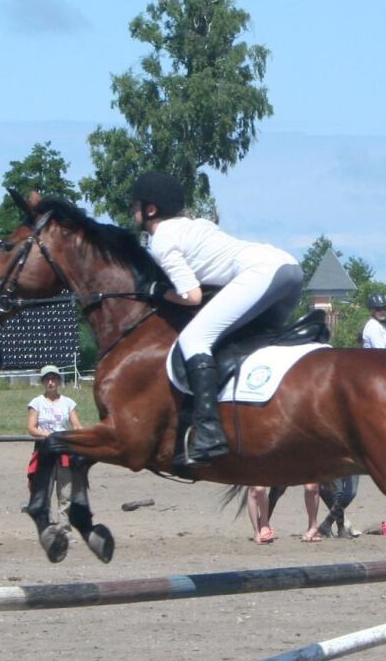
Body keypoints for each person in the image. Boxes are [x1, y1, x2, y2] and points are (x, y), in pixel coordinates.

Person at [130, 171, 304, 465]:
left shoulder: (161, 241)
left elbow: (192, 296)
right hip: (289, 268)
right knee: (251, 341)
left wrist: (158, 291)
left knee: (194, 339)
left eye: (135, 205)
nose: (132, 210)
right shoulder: (195, 225)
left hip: (262, 272)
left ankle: (209, 432)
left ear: (151, 209)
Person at [24, 365, 83, 515]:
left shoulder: (68, 402)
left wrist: (79, 435)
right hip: (45, 450)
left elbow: (76, 424)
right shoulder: (36, 403)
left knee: (66, 494)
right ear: (43, 382)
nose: (50, 382)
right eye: (47, 379)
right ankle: (47, 525)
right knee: (44, 492)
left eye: (53, 379)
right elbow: (31, 428)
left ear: (58, 381)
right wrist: (48, 436)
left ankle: (64, 526)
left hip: (64, 451)